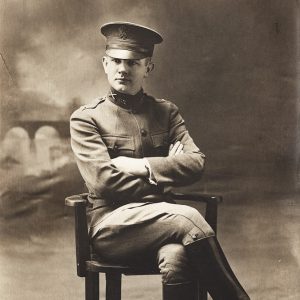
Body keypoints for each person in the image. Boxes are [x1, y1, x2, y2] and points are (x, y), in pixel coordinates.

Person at [70, 22, 250, 300]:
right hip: (112, 228)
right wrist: (164, 170)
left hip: (166, 222)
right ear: (105, 64)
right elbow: (104, 182)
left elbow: (195, 164)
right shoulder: (86, 118)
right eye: (116, 61)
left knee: (178, 256)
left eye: (133, 62)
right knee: (189, 215)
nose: (123, 69)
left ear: (147, 68)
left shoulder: (166, 112)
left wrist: (140, 166)